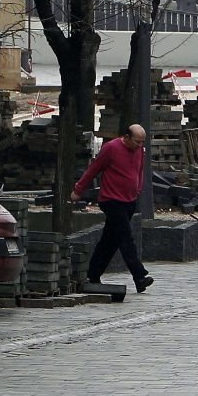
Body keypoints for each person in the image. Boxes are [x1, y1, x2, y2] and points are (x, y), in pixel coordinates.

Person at [72, 125, 154, 293]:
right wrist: (78, 190)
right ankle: (139, 276)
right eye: (137, 141)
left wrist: (137, 188)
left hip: (129, 201)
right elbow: (93, 169)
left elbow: (139, 170)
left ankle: (93, 274)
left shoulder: (139, 150)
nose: (140, 145)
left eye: (142, 142)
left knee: (110, 241)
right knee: (125, 237)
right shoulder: (111, 148)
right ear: (126, 137)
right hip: (111, 200)